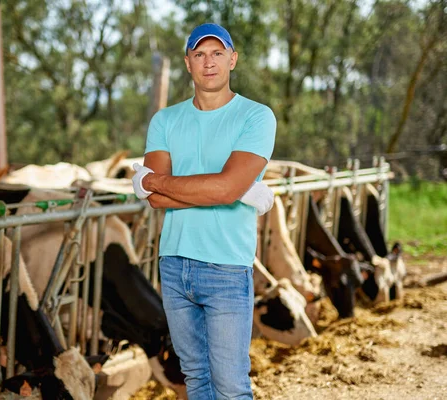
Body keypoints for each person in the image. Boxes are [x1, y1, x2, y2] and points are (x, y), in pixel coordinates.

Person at [131, 23, 277, 399]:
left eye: (216, 53)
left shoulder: (256, 116)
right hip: (175, 264)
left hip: (227, 265)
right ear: (187, 62)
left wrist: (157, 181)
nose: (208, 62)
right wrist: (225, 191)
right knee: (195, 378)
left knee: (230, 385)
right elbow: (158, 200)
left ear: (233, 59)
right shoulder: (165, 120)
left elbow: (223, 187)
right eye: (199, 54)